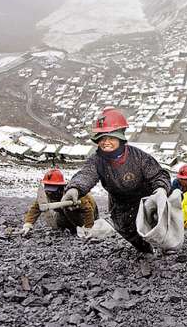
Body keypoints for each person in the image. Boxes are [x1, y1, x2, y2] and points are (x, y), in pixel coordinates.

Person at [61, 106, 171, 254]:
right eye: (101, 138)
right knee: (127, 231)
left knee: (156, 225)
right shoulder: (96, 160)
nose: (105, 142)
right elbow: (86, 174)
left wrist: (160, 190)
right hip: (119, 205)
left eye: (111, 138)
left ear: (120, 137)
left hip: (146, 199)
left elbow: (158, 175)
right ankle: (146, 251)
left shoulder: (139, 157)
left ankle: (165, 249)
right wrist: (74, 188)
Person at [22, 168, 98, 235]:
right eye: (48, 189)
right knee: (60, 221)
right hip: (65, 212)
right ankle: (69, 227)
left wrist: (88, 228)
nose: (50, 193)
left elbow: (88, 209)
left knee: (75, 221)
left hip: (85, 211)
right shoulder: (46, 194)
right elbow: (36, 207)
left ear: (61, 187)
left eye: (53, 189)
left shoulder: (72, 193)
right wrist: (28, 224)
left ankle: (78, 226)